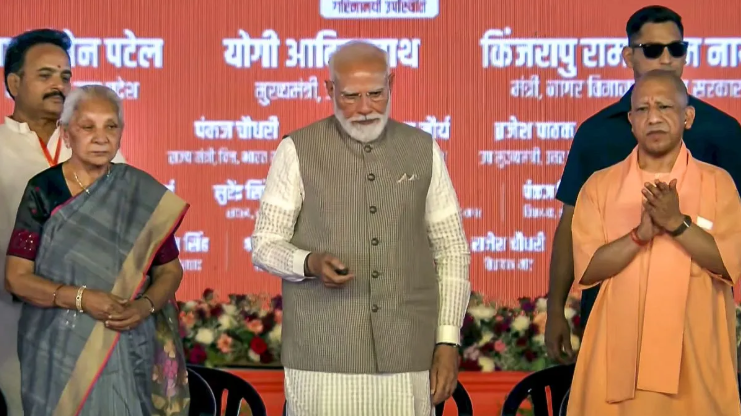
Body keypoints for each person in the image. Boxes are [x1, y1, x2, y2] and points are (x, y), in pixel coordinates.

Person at [251, 41, 471, 416]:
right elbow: (264, 244)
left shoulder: (423, 149)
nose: (365, 108)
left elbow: (452, 250)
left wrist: (448, 341)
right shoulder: (297, 149)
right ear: (329, 89)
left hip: (407, 354)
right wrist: (309, 262)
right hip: (321, 357)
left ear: (392, 84)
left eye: (376, 94)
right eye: (351, 96)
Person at [545, 5, 741, 362]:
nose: (666, 59)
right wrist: (555, 308)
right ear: (628, 56)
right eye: (652, 49)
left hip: (698, 328)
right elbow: (570, 225)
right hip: (613, 324)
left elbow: (734, 240)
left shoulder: (723, 132)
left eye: (676, 49)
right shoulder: (596, 134)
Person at [3, 85, 190, 416]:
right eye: (87, 126)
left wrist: (144, 306)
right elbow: (17, 279)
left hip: (129, 342)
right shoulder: (43, 191)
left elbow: (170, 270)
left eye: (111, 126)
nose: (101, 137)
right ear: (66, 133)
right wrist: (81, 298)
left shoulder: (139, 192)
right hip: (57, 348)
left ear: (121, 133)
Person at [566, 69, 741, 415]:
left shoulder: (718, 184)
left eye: (664, 106)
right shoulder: (600, 186)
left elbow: (729, 263)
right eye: (643, 109)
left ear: (688, 117)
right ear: (631, 122)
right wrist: (639, 236)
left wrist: (677, 224)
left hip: (696, 368)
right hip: (617, 369)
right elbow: (587, 270)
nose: (654, 118)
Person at [0, 29, 127, 415]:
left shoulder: (95, 145)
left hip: (89, 324)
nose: (59, 85)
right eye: (46, 75)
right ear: (14, 83)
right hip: (10, 324)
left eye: (66, 76)